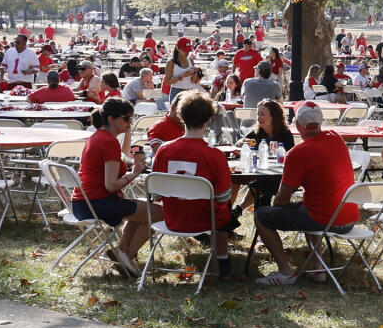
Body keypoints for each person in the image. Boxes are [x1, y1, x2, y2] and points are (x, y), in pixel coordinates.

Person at [253, 106, 361, 286]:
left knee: (261, 215)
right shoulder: (336, 138)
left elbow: (281, 200)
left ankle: (286, 272)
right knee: (308, 207)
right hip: (349, 217)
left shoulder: (297, 153)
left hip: (325, 220)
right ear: (321, 123)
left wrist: (279, 210)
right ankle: (316, 267)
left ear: (297, 125)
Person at [152, 91, 240, 282]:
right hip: (205, 220)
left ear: (181, 116)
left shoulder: (163, 150)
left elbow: (156, 193)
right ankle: (223, 265)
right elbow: (224, 197)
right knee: (224, 213)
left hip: (172, 218)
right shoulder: (215, 155)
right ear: (209, 119)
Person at [72, 99, 158, 273]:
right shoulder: (108, 142)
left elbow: (117, 162)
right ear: (111, 119)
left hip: (83, 203)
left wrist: (127, 134)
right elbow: (111, 185)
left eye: (131, 118)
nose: (130, 122)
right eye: (126, 118)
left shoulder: (99, 136)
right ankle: (125, 255)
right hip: (96, 204)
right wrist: (134, 174)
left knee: (144, 210)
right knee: (158, 214)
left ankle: (123, 252)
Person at [239, 99, 294, 209]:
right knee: (238, 181)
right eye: (258, 114)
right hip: (261, 172)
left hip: (280, 176)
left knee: (262, 185)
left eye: (263, 114)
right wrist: (242, 142)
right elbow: (239, 143)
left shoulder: (285, 134)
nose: (259, 118)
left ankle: (239, 210)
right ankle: (230, 212)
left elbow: (290, 158)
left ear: (274, 116)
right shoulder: (257, 132)